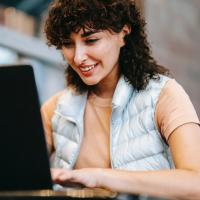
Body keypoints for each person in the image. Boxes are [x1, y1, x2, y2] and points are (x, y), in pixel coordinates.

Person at [41, 0, 200, 199]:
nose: (78, 57)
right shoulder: (55, 109)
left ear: (123, 33)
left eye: (91, 40)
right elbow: (18, 177)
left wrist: (100, 177)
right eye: (67, 44)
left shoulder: (164, 95)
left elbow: (196, 184)